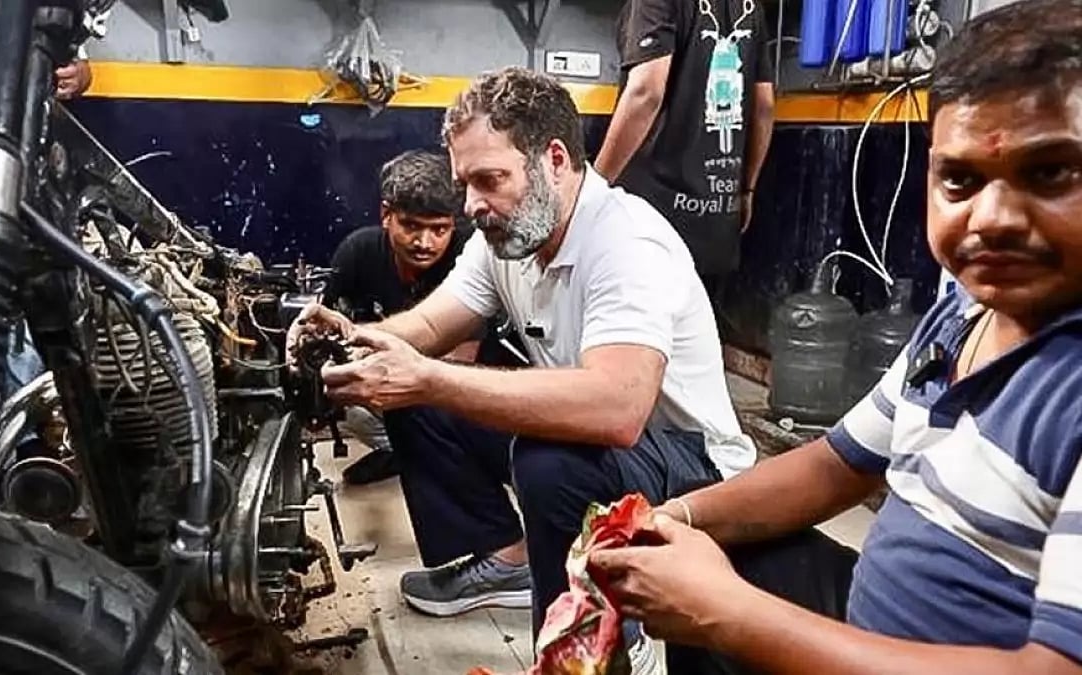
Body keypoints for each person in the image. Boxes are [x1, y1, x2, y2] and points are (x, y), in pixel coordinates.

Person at [588, 2, 1082, 674]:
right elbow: (836, 464)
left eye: (1051, 173)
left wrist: (727, 612)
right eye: (960, 179)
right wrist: (676, 515)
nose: (990, 218)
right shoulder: (960, 316)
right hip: (872, 625)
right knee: (687, 550)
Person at [291, 66, 756, 673]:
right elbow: (431, 326)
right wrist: (356, 336)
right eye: (466, 184)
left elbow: (617, 409)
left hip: (695, 466)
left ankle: (589, 648)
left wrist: (428, 377)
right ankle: (504, 559)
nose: (471, 207)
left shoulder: (626, 241)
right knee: (420, 397)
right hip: (610, 443)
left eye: (489, 180)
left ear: (554, 160)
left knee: (548, 462)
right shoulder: (504, 238)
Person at [321, 149, 480, 485]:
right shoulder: (358, 252)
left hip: (458, 393)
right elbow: (328, 331)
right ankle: (398, 452)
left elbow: (465, 363)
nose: (424, 242)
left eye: (439, 229)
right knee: (352, 408)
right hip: (399, 385)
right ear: (386, 215)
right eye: (411, 226)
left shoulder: (470, 257)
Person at [595, 0, 776, 286]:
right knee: (695, 326)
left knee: (635, 325)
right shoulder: (751, 7)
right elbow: (764, 106)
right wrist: (746, 189)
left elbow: (645, 92)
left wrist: (594, 187)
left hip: (651, 225)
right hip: (716, 218)